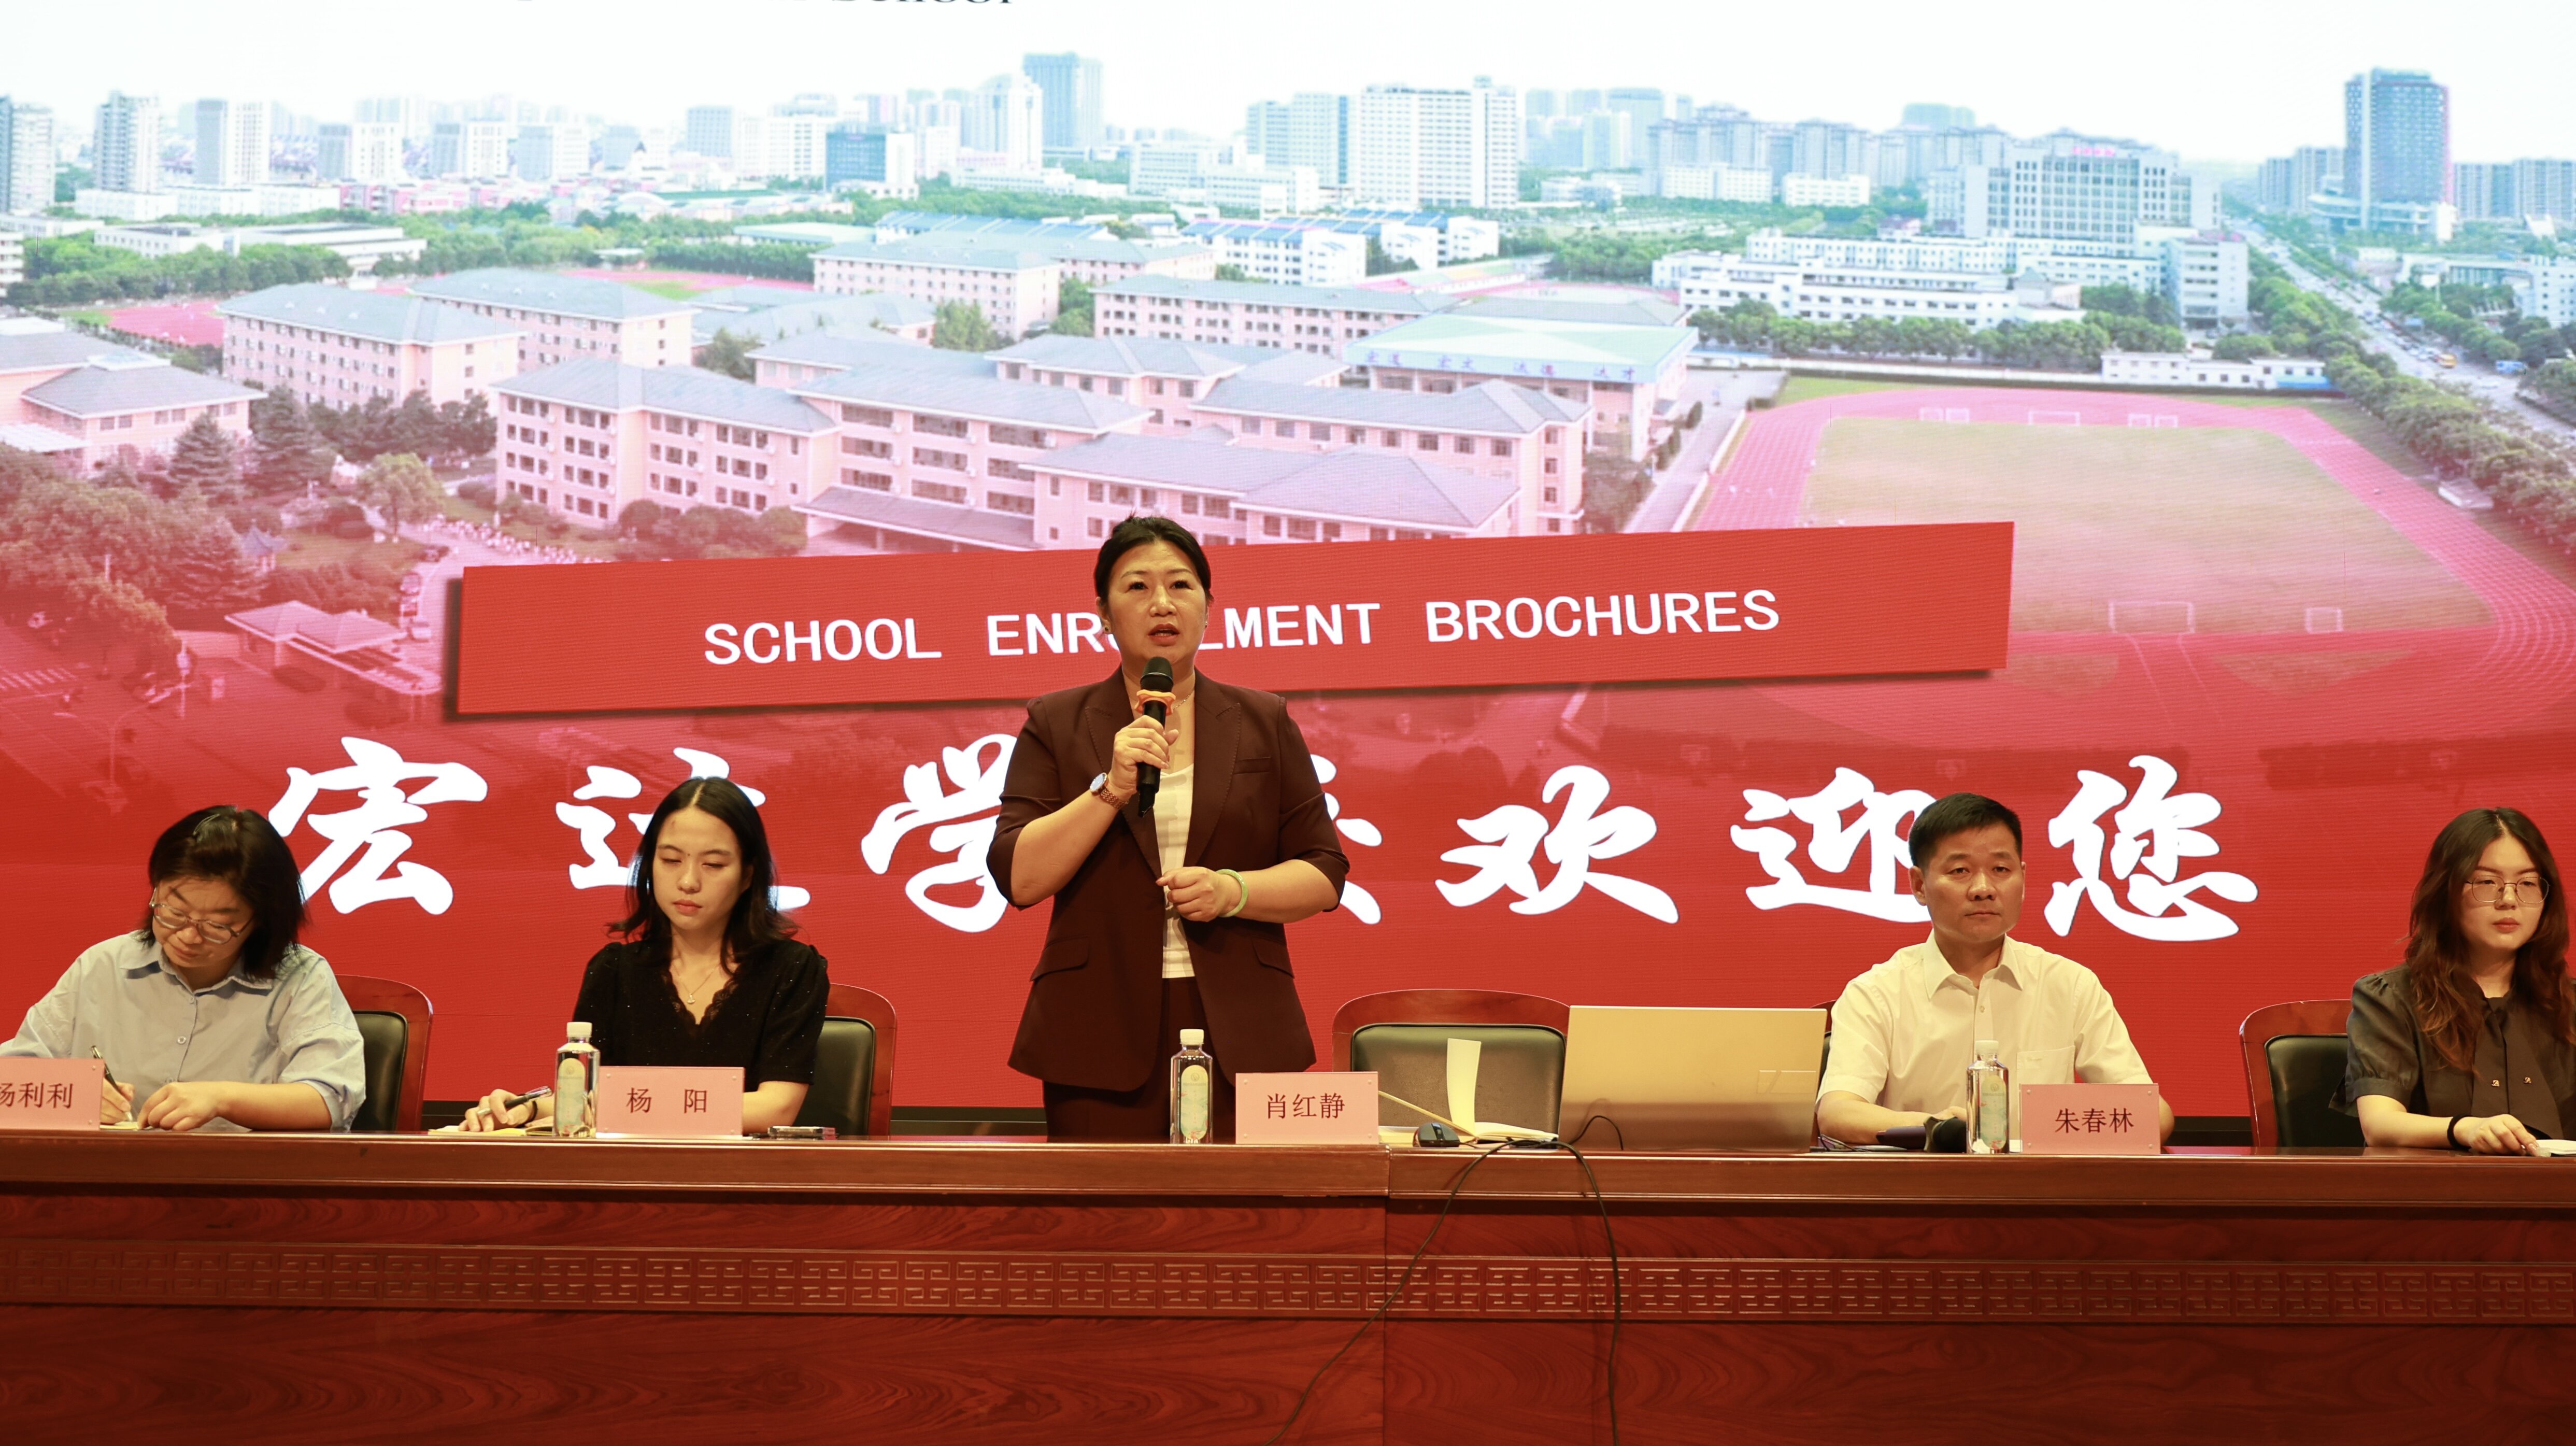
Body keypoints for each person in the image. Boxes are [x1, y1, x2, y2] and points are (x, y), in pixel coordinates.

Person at [988, 516, 1349, 1141]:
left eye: (1181, 585)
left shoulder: (1262, 719)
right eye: (1137, 587)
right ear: (1103, 614)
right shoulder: (1058, 721)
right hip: (1098, 1025)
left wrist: (1233, 891)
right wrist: (1111, 788)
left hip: (1243, 1020)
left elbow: (1324, 871)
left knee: (1253, 1203)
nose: (1162, 603)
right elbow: (1020, 878)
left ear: (1209, 608)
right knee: (1104, 1203)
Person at [463, 776, 828, 1134]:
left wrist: (636, 1109)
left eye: (713, 865)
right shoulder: (614, 970)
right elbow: (587, 1101)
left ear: (748, 875)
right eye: (670, 860)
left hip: (739, 1168)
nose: (688, 882)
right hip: (629, 1168)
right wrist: (524, 1108)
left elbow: (775, 1107)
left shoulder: (791, 969)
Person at [1815, 792, 2174, 1146]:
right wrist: (1939, 1129)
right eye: (1960, 871)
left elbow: (2152, 1116)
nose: (1983, 889)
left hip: (2040, 1181)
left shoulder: (2070, 985)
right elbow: (1838, 1112)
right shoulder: (1876, 993)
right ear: (1919, 885)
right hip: (1921, 1179)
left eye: (2000, 870)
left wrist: (2056, 1130)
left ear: (2022, 878)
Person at [3, 805, 365, 1132]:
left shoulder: (300, 978)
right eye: (174, 911)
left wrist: (222, 1099)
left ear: (261, 921)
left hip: (241, 1178)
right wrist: (74, 1095)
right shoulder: (103, 966)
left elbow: (330, 1099)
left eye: (218, 925)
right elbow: (12, 1077)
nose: (189, 936)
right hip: (109, 1174)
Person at [2338, 807, 2572, 1156]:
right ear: (2445, 891)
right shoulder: (2391, 998)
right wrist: (2466, 1128)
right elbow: (2380, 1125)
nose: (2509, 900)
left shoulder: (2568, 1003)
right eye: (2487, 882)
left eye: (2527, 883)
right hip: (2437, 1186)